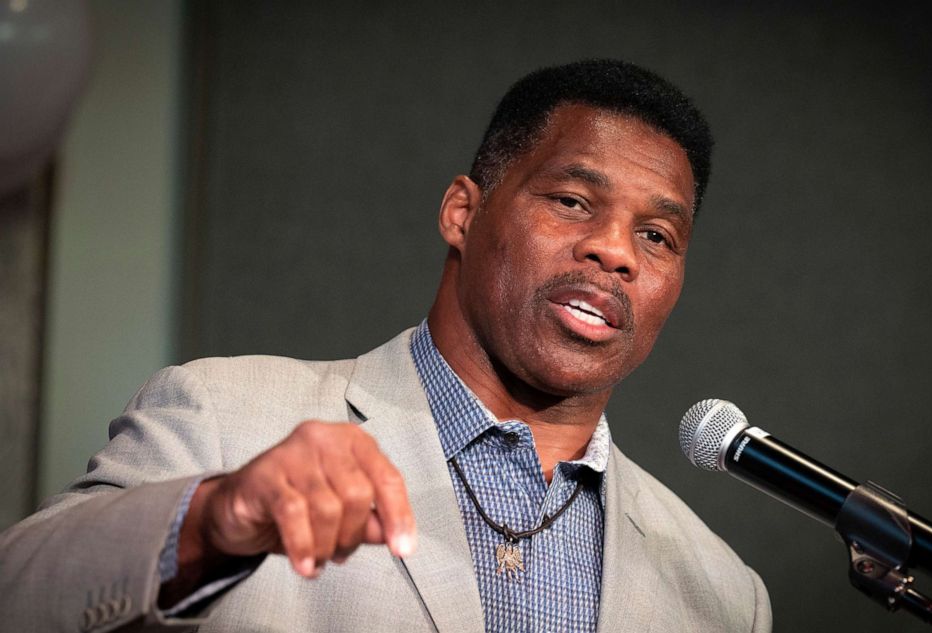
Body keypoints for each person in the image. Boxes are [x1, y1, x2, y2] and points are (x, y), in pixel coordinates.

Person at [0, 59, 772, 632]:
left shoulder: (723, 593)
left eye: (657, 235)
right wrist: (207, 520)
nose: (616, 252)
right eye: (573, 200)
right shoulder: (222, 418)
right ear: (462, 213)